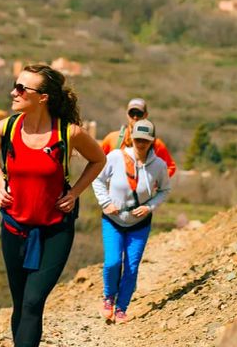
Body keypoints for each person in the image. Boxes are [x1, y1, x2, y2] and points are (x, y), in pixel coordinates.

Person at [0, 64, 106, 347]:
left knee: (34, 301)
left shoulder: (68, 134)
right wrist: (1, 186)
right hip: (14, 228)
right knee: (21, 302)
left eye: (22, 88)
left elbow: (99, 159)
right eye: (16, 85)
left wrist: (75, 192)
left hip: (55, 230)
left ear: (43, 97)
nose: (14, 92)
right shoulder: (5, 129)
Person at [92, 119, 172, 323]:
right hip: (113, 219)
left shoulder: (159, 165)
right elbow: (97, 179)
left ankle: (121, 308)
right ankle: (109, 297)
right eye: (137, 139)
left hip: (139, 224)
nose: (141, 143)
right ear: (131, 138)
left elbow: (164, 190)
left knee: (131, 267)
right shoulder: (115, 157)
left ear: (152, 141)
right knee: (112, 262)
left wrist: (149, 206)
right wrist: (105, 202)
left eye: (145, 140)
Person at [100, 98, 177, 178]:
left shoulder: (155, 143)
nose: (135, 117)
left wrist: (156, 182)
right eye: (132, 113)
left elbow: (170, 167)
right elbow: (98, 162)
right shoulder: (112, 138)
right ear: (127, 114)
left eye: (139, 113)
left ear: (146, 115)